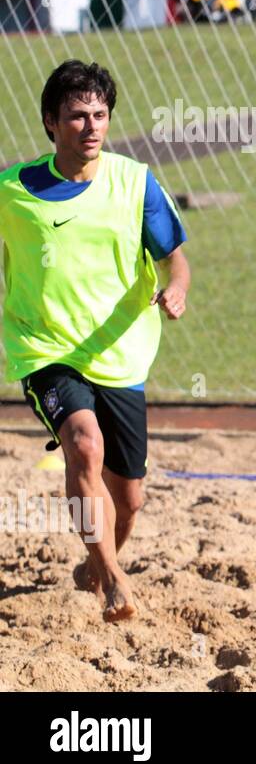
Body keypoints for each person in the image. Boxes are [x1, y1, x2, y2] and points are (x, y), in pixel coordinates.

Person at [0, 60, 190, 622]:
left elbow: (175, 262)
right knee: (83, 444)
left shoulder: (136, 183)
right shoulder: (13, 192)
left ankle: (95, 563)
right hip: (47, 350)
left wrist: (176, 290)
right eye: (77, 116)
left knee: (128, 499)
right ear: (50, 123)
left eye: (100, 115)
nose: (91, 126)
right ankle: (110, 580)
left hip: (121, 354)